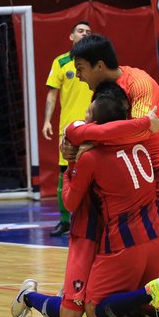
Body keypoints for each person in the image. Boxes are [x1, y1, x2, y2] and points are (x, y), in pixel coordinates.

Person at [12, 91, 159, 317]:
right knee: (139, 308)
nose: (83, 116)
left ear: (96, 123)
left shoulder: (89, 155)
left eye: (88, 112)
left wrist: (69, 168)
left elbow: (71, 202)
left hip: (114, 238)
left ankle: (29, 296)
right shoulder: (140, 141)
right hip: (152, 235)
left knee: (82, 312)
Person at [62, 34, 159, 317]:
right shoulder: (103, 91)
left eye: (81, 68)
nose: (79, 76)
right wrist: (75, 139)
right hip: (135, 164)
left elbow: (133, 131)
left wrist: (78, 136)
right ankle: (149, 294)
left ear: (98, 65)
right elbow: (110, 132)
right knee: (137, 231)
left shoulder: (139, 82)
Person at [42, 21, 94, 236]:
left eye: (88, 32)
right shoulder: (61, 62)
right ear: (71, 36)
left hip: (94, 127)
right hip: (69, 130)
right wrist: (47, 121)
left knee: (96, 173)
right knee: (66, 175)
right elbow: (52, 94)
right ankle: (65, 221)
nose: (84, 34)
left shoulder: (96, 61)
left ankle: (95, 220)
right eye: (80, 31)